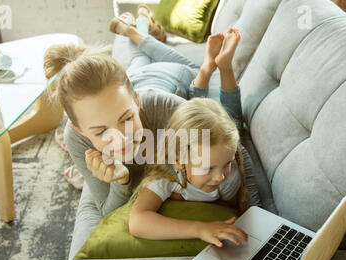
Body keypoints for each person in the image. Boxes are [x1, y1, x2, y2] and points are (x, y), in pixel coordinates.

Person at [43, 6, 259, 219]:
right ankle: (141, 23)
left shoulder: (164, 108)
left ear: (136, 103)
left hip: (172, 77)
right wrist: (122, 181)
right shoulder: (78, 138)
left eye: (127, 119)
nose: (121, 138)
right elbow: (106, 212)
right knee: (138, 61)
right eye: (100, 132)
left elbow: (236, 149)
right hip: (134, 79)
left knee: (196, 77)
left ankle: (135, 32)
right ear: (78, 129)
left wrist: (255, 214)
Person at [129, 98, 248, 248]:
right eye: (207, 168)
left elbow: (228, 210)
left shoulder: (230, 177)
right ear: (178, 161)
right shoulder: (165, 176)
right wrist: (200, 229)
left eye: (227, 164)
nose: (220, 177)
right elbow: (137, 222)